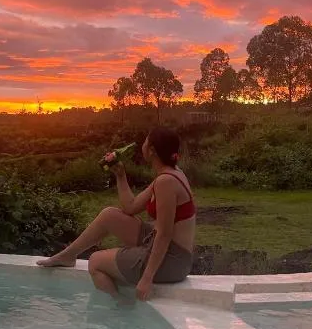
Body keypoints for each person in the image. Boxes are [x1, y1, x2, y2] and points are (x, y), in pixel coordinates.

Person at [37, 126, 196, 301]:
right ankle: (68, 255)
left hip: (172, 260)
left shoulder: (166, 181)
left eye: (145, 141)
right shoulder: (168, 174)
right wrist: (120, 175)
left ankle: (120, 311)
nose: (141, 145)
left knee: (95, 262)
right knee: (109, 215)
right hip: (160, 244)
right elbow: (130, 206)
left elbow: (165, 234)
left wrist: (146, 278)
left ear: (151, 151)